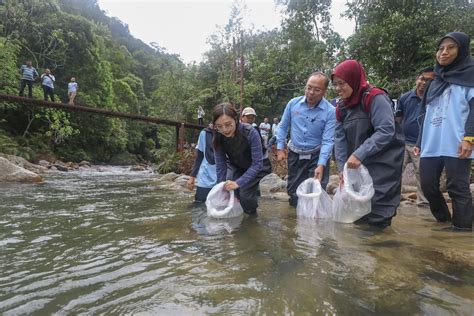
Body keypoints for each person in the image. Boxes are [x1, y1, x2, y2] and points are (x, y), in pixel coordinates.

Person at [332, 59, 405, 228]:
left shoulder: (375, 97)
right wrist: (342, 168)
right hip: (357, 165)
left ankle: (380, 249)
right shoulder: (341, 107)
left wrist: (359, 153)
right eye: (335, 84)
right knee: (359, 211)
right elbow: (339, 139)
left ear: (353, 79)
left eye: (341, 83)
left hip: (383, 162)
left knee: (379, 208)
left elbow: (386, 130)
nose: (337, 88)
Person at [415, 32, 474, 231]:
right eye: (441, 48)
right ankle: (444, 220)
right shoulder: (435, 82)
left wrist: (469, 138)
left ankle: (462, 229)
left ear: (462, 50)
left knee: (457, 188)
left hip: (458, 141)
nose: (444, 52)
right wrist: (419, 142)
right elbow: (424, 114)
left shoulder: (470, 76)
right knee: (428, 186)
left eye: (451, 48)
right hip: (431, 143)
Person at [276, 72, 336, 207]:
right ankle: (294, 225)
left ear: (325, 91)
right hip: (295, 154)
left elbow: (328, 140)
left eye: (317, 90)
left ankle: (313, 225)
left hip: (317, 154)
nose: (311, 92)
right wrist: (280, 148)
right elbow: (283, 126)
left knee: (315, 193)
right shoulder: (293, 104)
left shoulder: (330, 111)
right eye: (309, 87)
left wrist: (321, 164)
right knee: (293, 193)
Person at [212, 103, 271, 215]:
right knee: (227, 187)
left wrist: (238, 183)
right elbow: (221, 166)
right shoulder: (218, 137)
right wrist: (219, 187)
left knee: (245, 195)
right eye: (219, 126)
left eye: (228, 124)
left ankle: (252, 218)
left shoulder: (250, 132)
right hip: (236, 164)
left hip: (258, 165)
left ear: (236, 120)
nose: (224, 130)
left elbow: (257, 164)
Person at [395, 66, 435, 206]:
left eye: (429, 81)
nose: (424, 83)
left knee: (421, 173)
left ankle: (423, 202)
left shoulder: (433, 99)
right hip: (403, 142)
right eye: (422, 79)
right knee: (396, 171)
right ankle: (394, 199)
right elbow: (398, 119)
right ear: (417, 79)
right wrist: (394, 139)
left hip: (422, 144)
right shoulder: (405, 97)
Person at [186, 123, 217, 202]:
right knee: (199, 207)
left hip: (221, 180)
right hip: (205, 178)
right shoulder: (204, 133)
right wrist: (192, 177)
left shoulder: (228, 133)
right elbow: (199, 156)